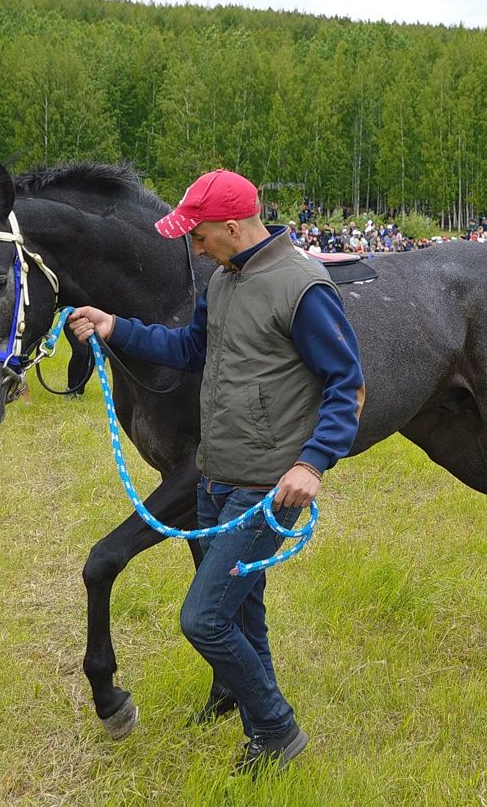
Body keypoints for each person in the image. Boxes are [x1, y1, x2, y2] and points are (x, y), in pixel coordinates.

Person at [67, 169, 365, 777]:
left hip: (266, 489)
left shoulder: (302, 287)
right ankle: (263, 740)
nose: (193, 248)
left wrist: (312, 462)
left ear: (231, 226)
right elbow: (189, 350)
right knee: (242, 614)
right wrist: (113, 327)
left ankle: (279, 730)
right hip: (214, 481)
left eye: (199, 236)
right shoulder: (223, 282)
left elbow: (347, 386)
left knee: (202, 618)